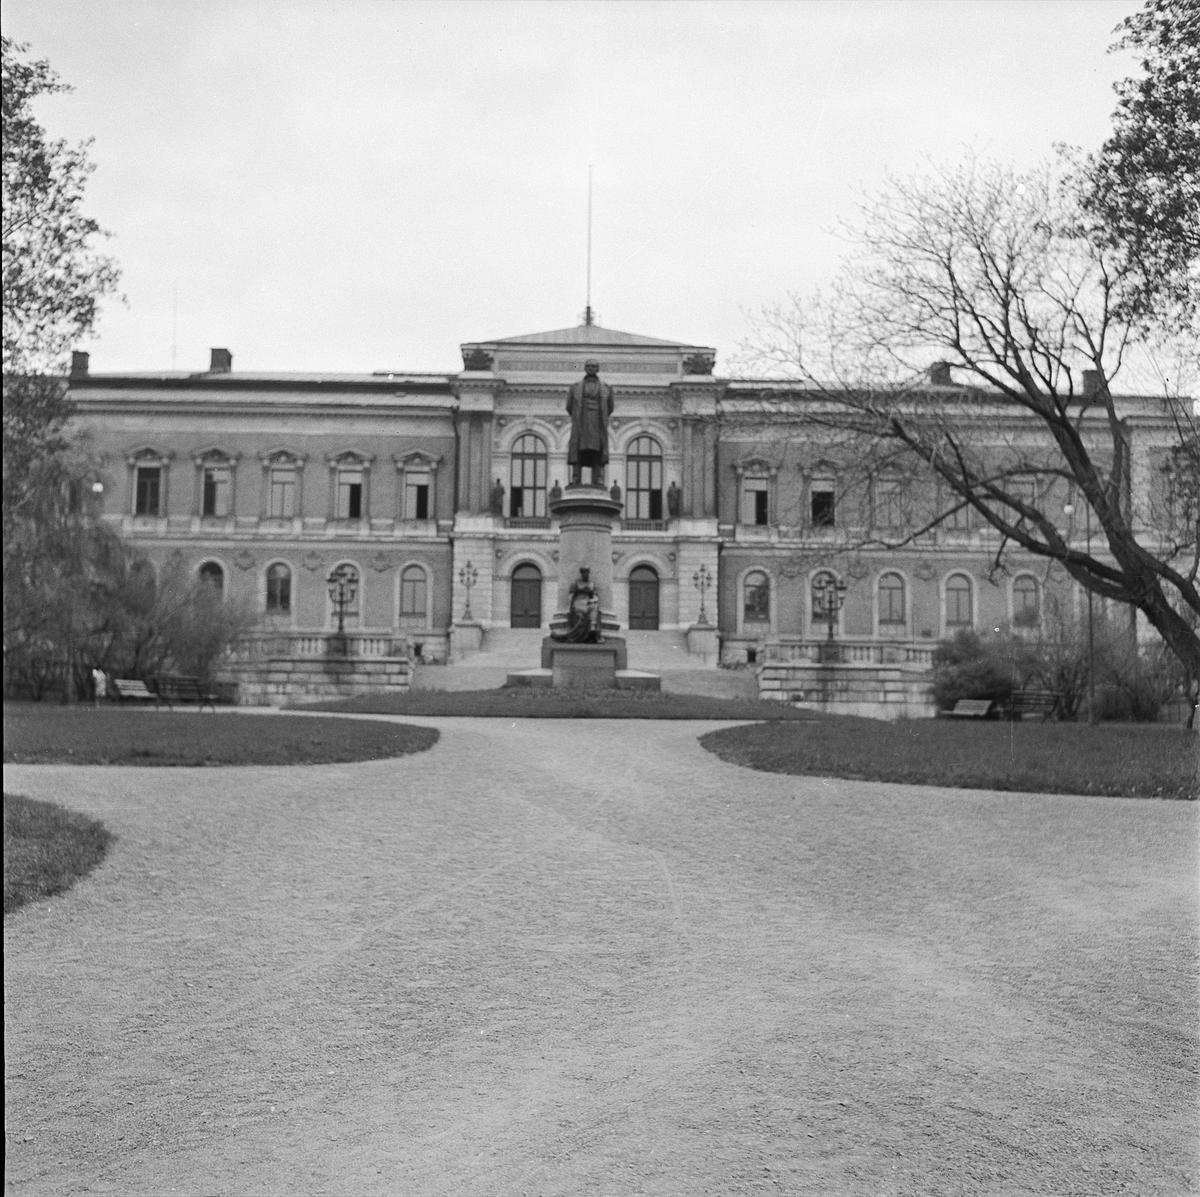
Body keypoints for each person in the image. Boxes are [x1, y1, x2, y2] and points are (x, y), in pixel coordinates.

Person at [566, 360, 614, 486]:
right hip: (581, 423)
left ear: (597, 369)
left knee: (597, 450)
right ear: (585, 369)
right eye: (588, 366)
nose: (590, 368)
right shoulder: (575, 387)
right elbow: (569, 406)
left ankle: (598, 477)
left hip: (597, 423)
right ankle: (576, 477)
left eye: (593, 366)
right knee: (579, 449)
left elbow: (610, 407)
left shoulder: (606, 388)